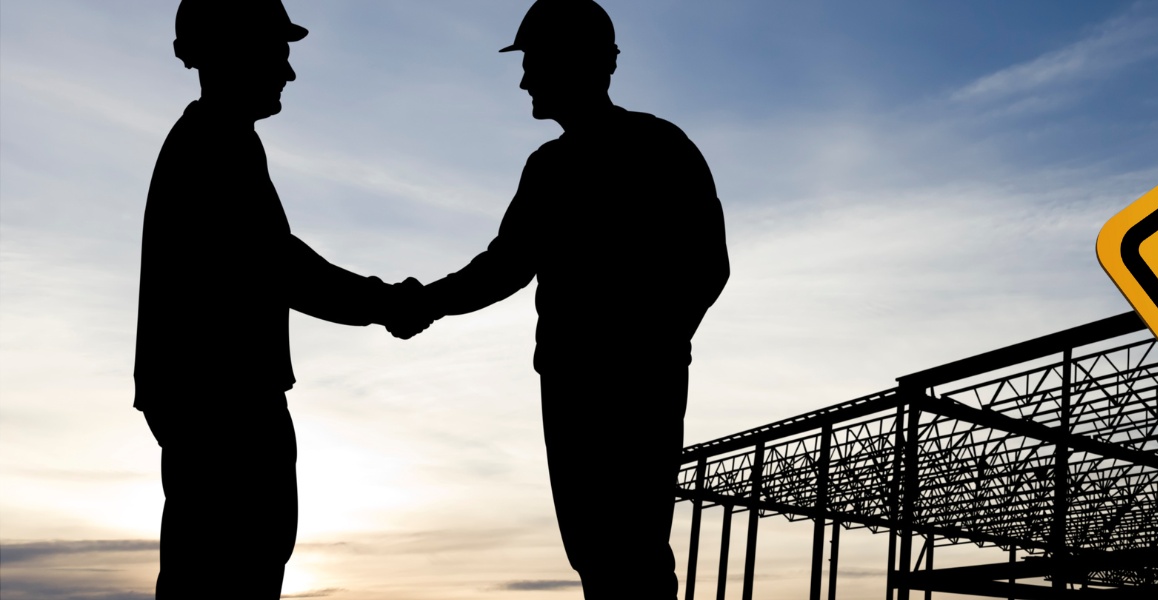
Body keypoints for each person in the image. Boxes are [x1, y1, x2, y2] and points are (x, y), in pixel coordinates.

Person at [393, 0, 728, 596]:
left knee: (630, 550)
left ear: (578, 63)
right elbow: (506, 266)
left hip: (628, 385)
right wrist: (429, 301)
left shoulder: (656, 146)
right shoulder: (551, 165)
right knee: (598, 552)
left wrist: (647, 348)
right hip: (576, 383)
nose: (523, 79)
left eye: (534, 63)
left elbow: (707, 265)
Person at [135, 1, 429, 596]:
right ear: (233, 51)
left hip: (212, 401)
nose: (289, 72)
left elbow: (273, 260)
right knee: (231, 570)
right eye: (278, 52)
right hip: (226, 404)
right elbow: (279, 265)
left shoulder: (215, 141)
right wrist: (384, 303)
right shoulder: (216, 145)